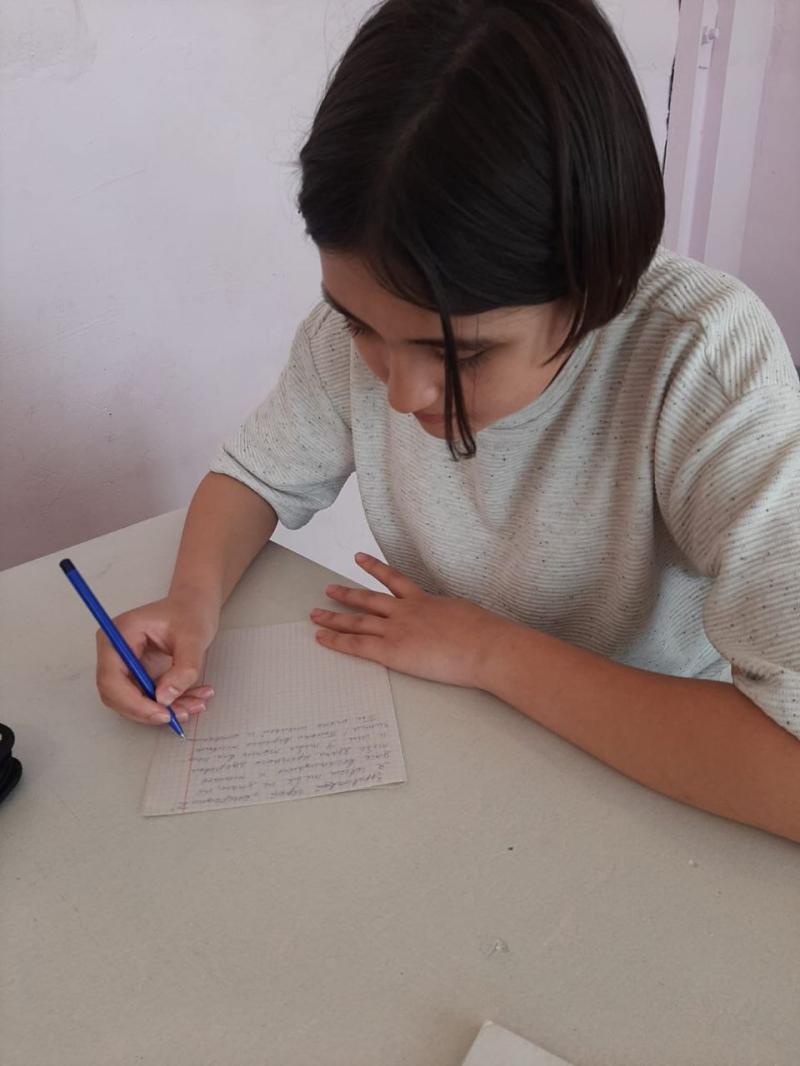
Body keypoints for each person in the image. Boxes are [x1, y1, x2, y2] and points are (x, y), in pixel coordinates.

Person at [95, 0, 800, 841]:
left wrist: (488, 651)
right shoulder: (361, 336)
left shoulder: (703, 362)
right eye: (360, 324)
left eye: (461, 355)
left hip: (665, 780)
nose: (399, 395)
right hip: (465, 746)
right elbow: (255, 476)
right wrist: (191, 601)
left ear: (598, 283)